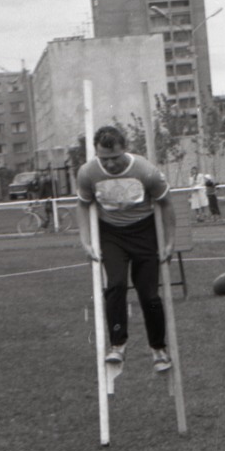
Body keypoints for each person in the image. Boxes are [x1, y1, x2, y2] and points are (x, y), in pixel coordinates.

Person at [76, 125, 175, 372]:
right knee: (116, 285)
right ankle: (118, 344)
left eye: (115, 158)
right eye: (104, 159)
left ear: (125, 150)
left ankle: (158, 349)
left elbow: (166, 204)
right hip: (111, 234)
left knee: (149, 294)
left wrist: (169, 242)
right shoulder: (88, 173)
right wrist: (86, 242)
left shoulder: (145, 171)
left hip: (144, 232)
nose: (110, 164)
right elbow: (83, 205)